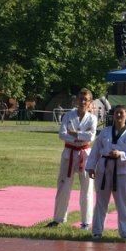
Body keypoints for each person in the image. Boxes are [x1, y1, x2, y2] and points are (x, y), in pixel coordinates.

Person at [46, 88, 97, 229]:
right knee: (63, 186)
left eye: (85, 99)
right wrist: (79, 137)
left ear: (90, 102)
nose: (82, 101)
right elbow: (62, 134)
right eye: (80, 98)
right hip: (69, 154)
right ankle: (58, 219)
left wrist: (74, 134)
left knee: (87, 189)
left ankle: (86, 222)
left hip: (85, 155)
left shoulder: (92, 118)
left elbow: (91, 137)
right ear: (76, 100)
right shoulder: (68, 116)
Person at [86, 106, 126, 239]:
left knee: (122, 203)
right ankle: (97, 231)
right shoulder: (105, 131)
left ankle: (125, 232)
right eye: (117, 113)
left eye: (122, 113)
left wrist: (120, 154)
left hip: (121, 171)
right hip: (103, 169)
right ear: (113, 115)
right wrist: (91, 166)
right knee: (101, 203)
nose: (119, 115)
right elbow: (96, 150)